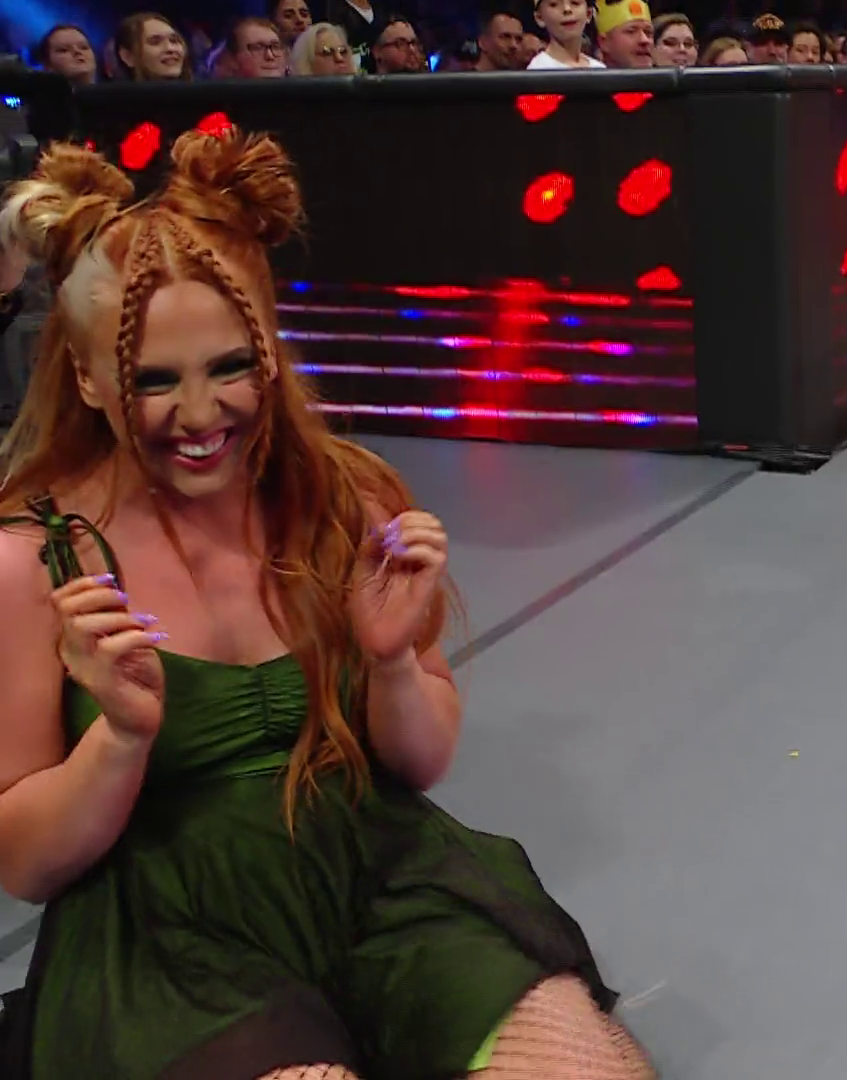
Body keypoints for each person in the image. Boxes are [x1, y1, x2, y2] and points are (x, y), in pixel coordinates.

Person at [0, 132, 654, 1079]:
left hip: (379, 879)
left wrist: (390, 663)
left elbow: (419, 763)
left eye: (229, 366)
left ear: (270, 352)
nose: (200, 415)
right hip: (173, 939)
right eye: (153, 379)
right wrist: (122, 740)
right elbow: (26, 865)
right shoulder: (32, 562)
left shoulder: (348, 501)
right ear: (90, 380)